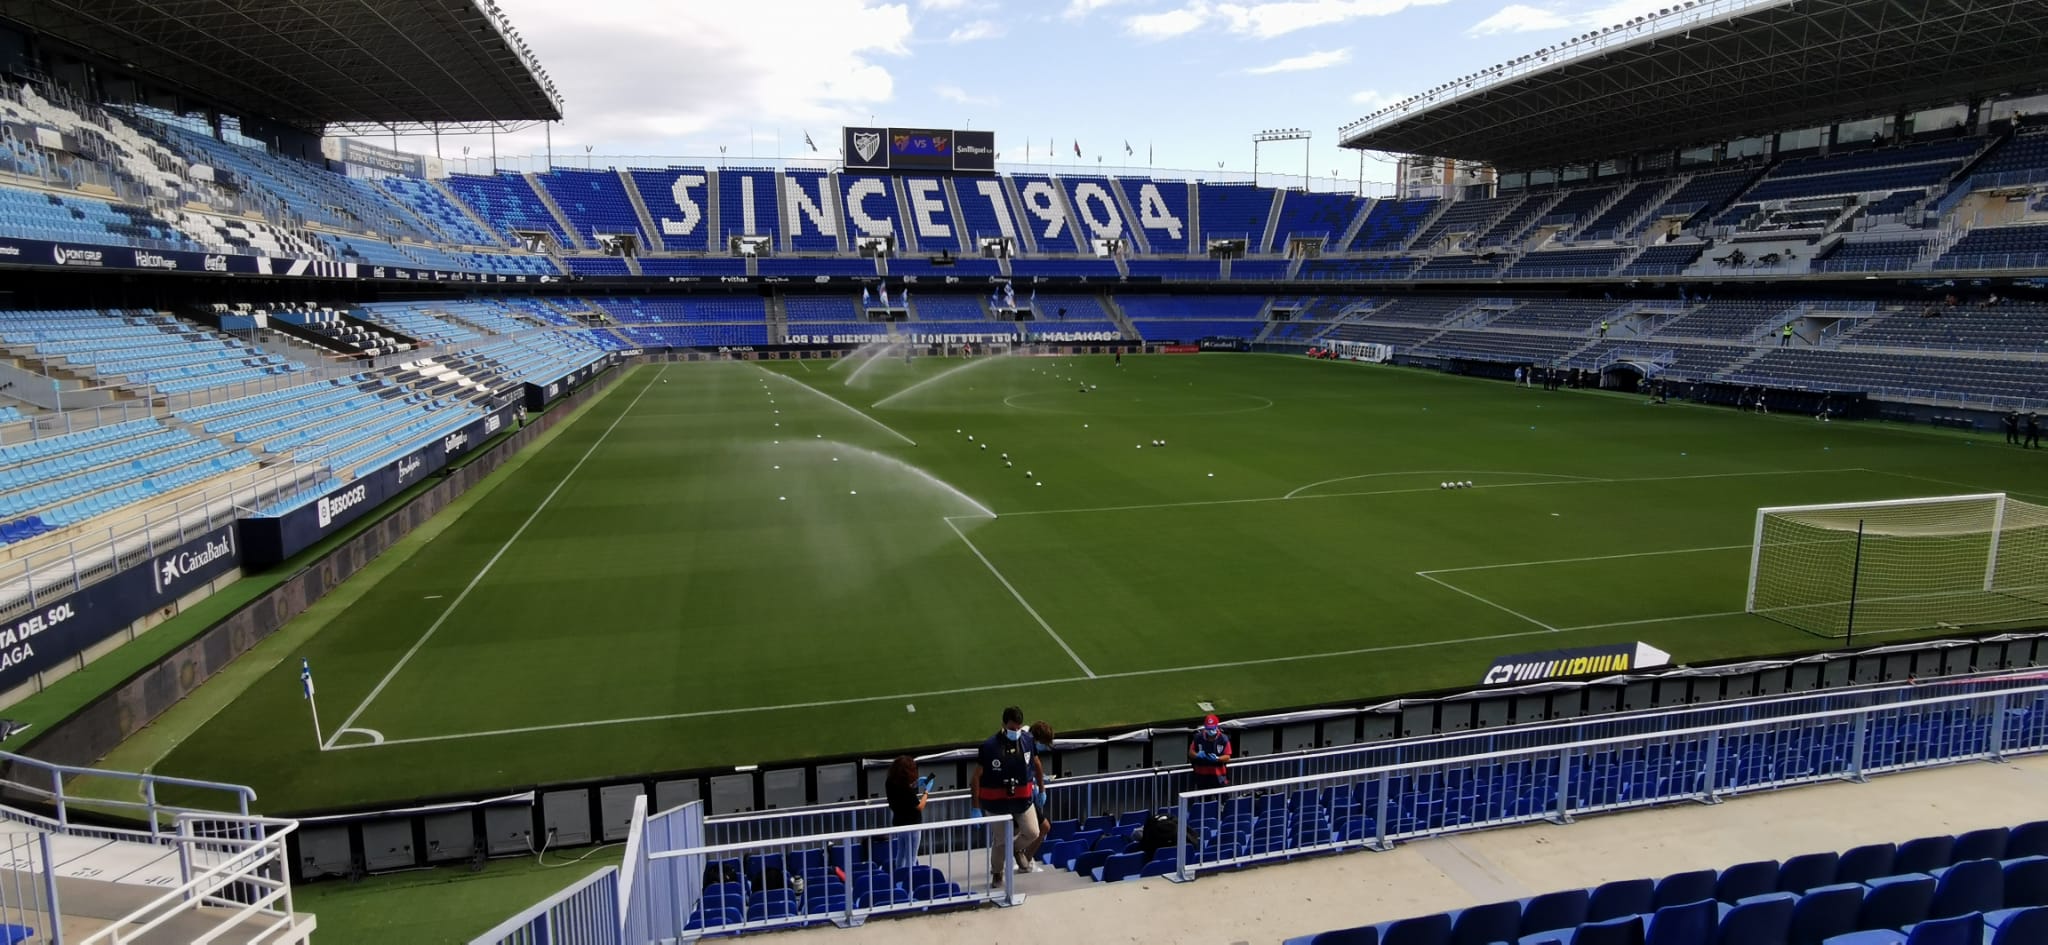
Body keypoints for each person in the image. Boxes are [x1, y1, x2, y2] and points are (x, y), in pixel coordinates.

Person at [972, 706, 1042, 882]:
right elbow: (976, 778)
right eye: (1012, 728)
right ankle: (997, 872)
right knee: (1001, 841)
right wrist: (975, 807)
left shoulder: (1027, 740)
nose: (1016, 732)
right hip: (997, 802)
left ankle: (1016, 849)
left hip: (1023, 799)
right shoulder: (989, 747)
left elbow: (1037, 763)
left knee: (1033, 832)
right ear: (1003, 724)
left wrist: (1042, 789)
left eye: (1018, 728)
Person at [884, 755, 928, 872]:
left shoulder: (890, 782)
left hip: (899, 823)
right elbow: (919, 806)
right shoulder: (906, 790)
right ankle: (909, 882)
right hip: (912, 825)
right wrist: (926, 792)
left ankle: (898, 877)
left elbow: (902, 796)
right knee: (911, 858)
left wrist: (914, 785)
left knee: (901, 853)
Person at [1025, 721, 1056, 864]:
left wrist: (1039, 785)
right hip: (1020, 796)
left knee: (1043, 827)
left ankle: (1025, 859)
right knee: (1038, 828)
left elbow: (1036, 764)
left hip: (1028, 793)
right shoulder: (1023, 742)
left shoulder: (1029, 742)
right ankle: (1022, 858)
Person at [1187, 714, 1232, 791]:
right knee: (1204, 800)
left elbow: (1227, 756)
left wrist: (1218, 759)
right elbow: (1191, 752)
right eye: (1208, 728)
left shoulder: (1223, 739)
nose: (1210, 731)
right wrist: (1197, 755)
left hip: (1218, 776)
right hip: (1201, 775)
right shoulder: (1198, 737)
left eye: (1212, 728)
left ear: (1216, 727)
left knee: (1221, 799)